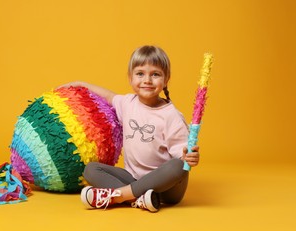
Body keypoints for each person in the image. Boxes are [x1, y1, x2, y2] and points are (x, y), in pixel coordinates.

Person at [59, 45, 200, 212]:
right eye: (140, 74)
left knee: (177, 165)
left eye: (155, 74)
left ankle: (118, 196)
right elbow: (108, 96)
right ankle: (138, 199)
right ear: (130, 78)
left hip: (166, 189)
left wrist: (189, 157)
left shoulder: (171, 116)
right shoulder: (128, 103)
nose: (147, 80)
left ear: (166, 79)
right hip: (133, 178)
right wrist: (81, 84)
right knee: (91, 170)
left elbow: (183, 158)